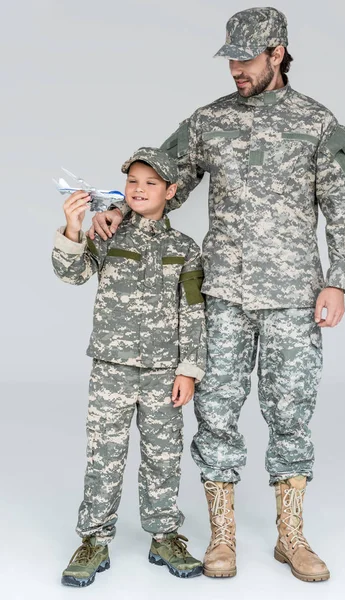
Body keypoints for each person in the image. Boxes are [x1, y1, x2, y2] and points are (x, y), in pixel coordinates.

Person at [89, 7, 345, 583]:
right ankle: (222, 538)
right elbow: (163, 180)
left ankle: (290, 537)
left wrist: (337, 278)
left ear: (278, 53)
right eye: (231, 59)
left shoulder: (317, 123)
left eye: (247, 59)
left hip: (294, 292)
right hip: (221, 292)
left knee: (291, 412)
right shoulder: (207, 121)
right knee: (216, 412)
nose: (237, 70)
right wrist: (118, 208)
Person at [52, 148, 206, 587]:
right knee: (105, 455)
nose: (139, 189)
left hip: (164, 371)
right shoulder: (108, 233)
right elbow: (71, 274)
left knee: (164, 456)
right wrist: (73, 228)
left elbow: (194, 312)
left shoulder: (184, 249)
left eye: (151, 183)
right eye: (133, 182)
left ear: (171, 192)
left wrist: (189, 370)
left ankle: (164, 534)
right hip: (112, 367)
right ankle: (94, 540)